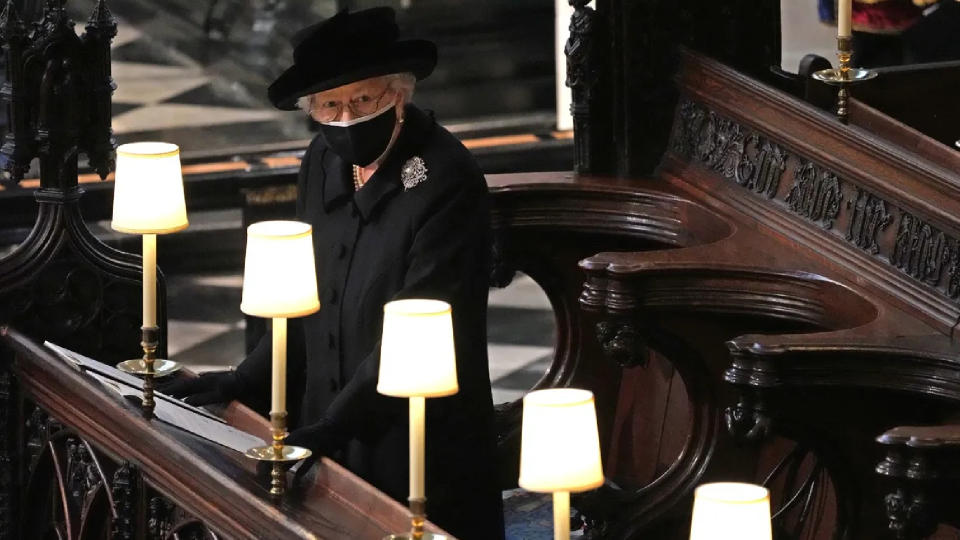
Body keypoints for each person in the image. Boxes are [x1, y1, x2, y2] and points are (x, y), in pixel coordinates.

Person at [163, 8, 505, 539]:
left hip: (412, 436)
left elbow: (420, 330)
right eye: (328, 106)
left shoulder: (445, 179)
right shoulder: (322, 159)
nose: (344, 118)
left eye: (361, 101)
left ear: (398, 94)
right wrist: (244, 379)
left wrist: (333, 428)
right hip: (323, 426)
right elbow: (306, 299)